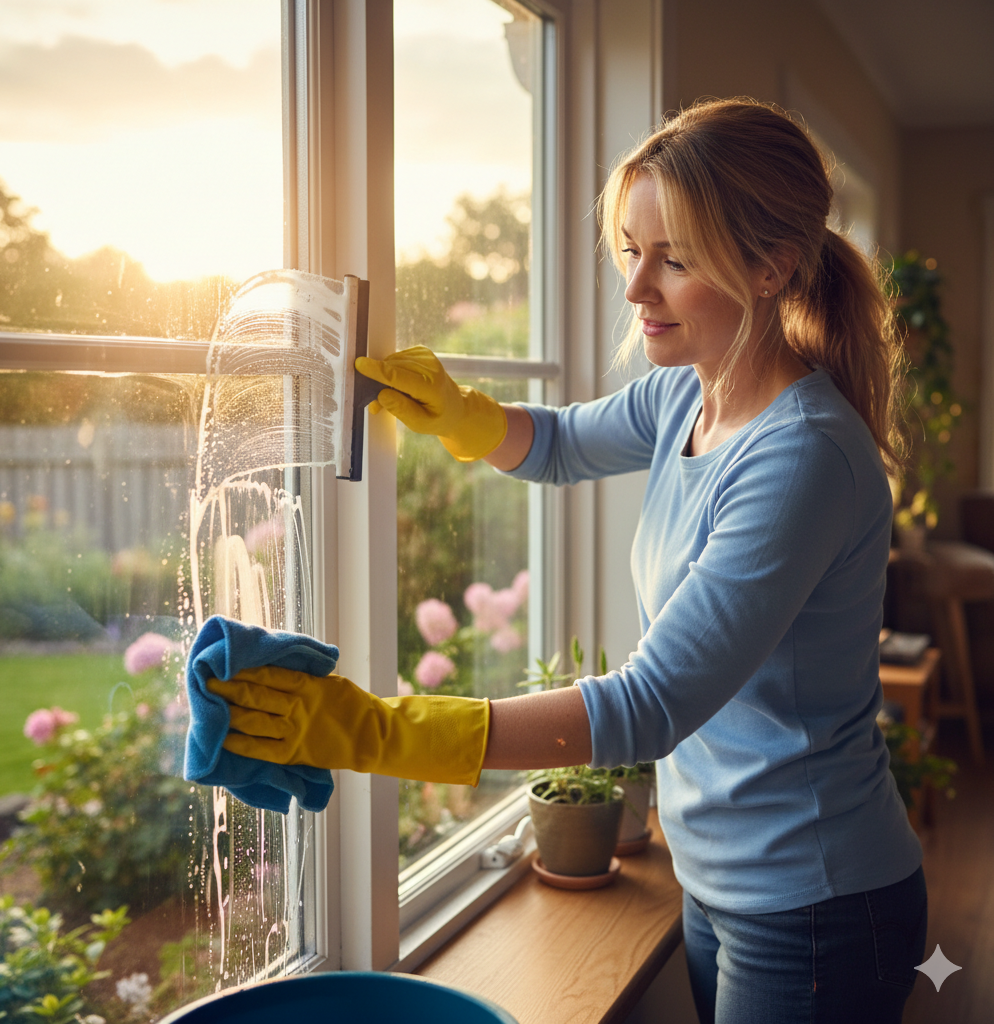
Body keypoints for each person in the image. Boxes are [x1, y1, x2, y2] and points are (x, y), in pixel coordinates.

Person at [209, 98, 926, 1023]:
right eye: (632, 249)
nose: (636, 288)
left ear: (770, 267)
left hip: (818, 902)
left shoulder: (802, 457)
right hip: (722, 881)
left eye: (675, 260)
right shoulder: (686, 399)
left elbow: (649, 704)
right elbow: (554, 444)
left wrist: (380, 732)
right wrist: (460, 414)